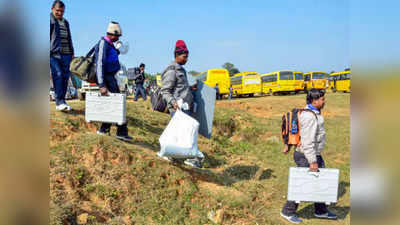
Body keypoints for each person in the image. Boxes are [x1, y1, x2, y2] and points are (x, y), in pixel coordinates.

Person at [280, 89, 337, 223]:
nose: (324, 101)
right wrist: (312, 161)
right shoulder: (309, 117)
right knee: (302, 182)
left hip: (312, 154)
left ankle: (320, 210)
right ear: (314, 101)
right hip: (306, 155)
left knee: (320, 180)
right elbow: (307, 141)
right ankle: (287, 211)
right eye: (322, 99)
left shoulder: (312, 113)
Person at [159, 40, 204, 169]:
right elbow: (165, 91)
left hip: (185, 107)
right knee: (186, 134)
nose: (187, 59)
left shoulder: (181, 70)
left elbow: (181, 88)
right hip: (178, 108)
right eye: (184, 57)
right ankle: (190, 158)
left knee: (179, 135)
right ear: (177, 55)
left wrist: (191, 89)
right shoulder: (172, 70)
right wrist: (173, 102)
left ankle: (172, 155)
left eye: (187, 57)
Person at [94, 21, 132, 141]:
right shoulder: (103, 43)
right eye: (117, 36)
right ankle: (120, 131)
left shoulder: (110, 45)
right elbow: (99, 64)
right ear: (112, 34)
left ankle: (104, 129)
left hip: (111, 78)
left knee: (112, 103)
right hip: (106, 78)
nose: (118, 38)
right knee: (117, 103)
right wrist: (101, 85)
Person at [50, 0, 74, 111]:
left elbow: (69, 38)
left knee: (65, 76)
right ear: (52, 9)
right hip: (54, 53)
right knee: (58, 74)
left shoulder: (66, 22)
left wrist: (72, 52)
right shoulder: (49, 21)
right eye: (58, 11)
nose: (60, 13)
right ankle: (59, 102)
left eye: (62, 11)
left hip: (67, 54)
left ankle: (62, 101)